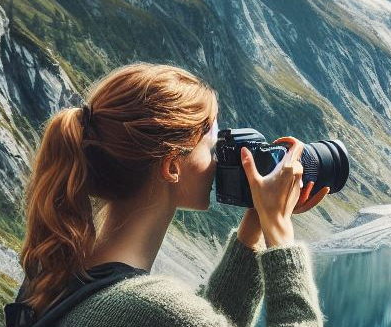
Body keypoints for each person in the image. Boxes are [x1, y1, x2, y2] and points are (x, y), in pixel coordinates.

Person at [17, 63, 328, 326]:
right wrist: (279, 233)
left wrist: (254, 227)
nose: (219, 161)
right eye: (212, 147)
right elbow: (181, 317)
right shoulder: (154, 308)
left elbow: (206, 317)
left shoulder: (51, 276)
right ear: (172, 167)